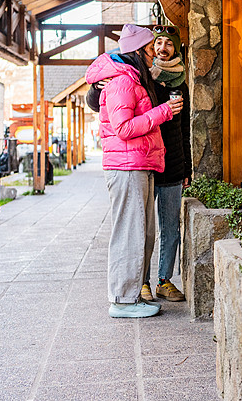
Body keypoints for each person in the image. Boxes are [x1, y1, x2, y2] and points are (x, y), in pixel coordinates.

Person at [85, 24, 184, 318]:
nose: (155, 52)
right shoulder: (122, 82)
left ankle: (130, 297)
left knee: (141, 234)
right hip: (127, 166)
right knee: (129, 234)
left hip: (139, 165)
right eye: (151, 48)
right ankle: (123, 300)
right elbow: (124, 128)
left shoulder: (134, 78)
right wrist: (164, 111)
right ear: (139, 51)